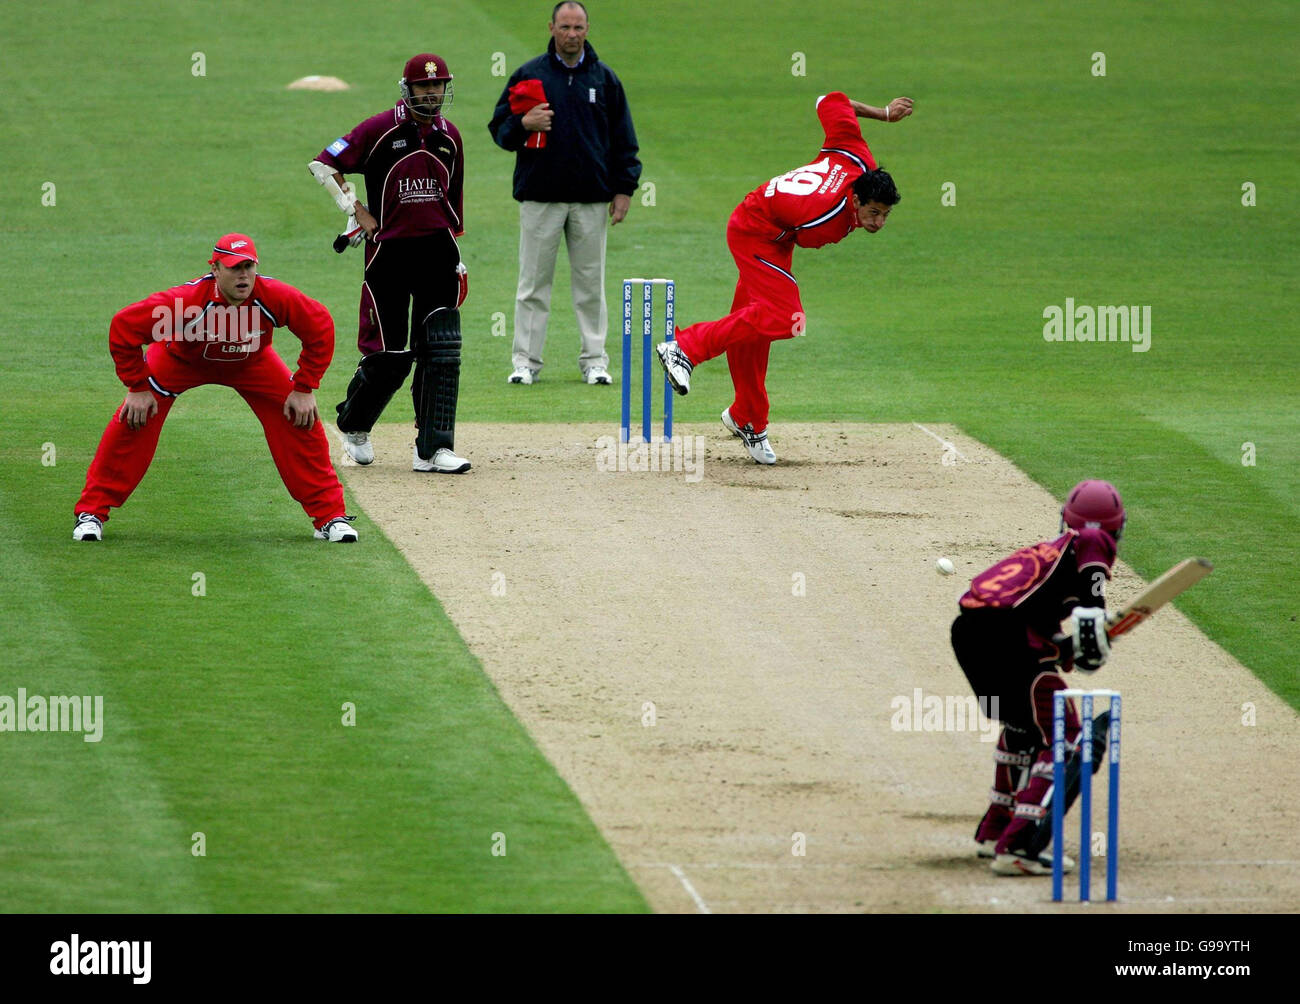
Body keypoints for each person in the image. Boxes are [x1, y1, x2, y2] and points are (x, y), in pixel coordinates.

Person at [655, 91, 913, 464]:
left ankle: (748, 418)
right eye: (873, 213)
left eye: (885, 215)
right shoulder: (824, 218)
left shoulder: (857, 156)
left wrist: (883, 114)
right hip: (755, 232)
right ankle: (685, 348)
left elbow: (831, 99)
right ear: (855, 199)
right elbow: (800, 230)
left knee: (754, 328)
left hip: (778, 234)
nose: (878, 223)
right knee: (785, 318)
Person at [72, 234, 357, 543]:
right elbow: (124, 326)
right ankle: (91, 513)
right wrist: (137, 386)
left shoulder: (274, 296)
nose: (243, 275)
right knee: (133, 419)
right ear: (215, 269)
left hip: (252, 363)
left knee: (301, 418)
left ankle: (331, 517)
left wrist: (303, 388)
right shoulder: (184, 302)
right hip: (180, 361)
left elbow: (320, 327)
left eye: (249, 267)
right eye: (234, 268)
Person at [949, 480, 1126, 876]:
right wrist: (1092, 636)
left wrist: (1064, 647)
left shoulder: (1052, 554)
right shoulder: (1095, 542)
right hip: (1004, 640)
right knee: (1069, 739)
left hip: (972, 634)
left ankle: (996, 831)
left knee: (1025, 727)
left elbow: (1031, 620)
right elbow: (1089, 613)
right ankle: (1019, 846)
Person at [311, 53, 471, 473]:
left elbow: (449, 205)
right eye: (424, 87)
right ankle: (355, 425)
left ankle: (433, 448)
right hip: (390, 254)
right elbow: (324, 163)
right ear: (408, 89)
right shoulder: (378, 130)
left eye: (439, 86)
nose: (433, 94)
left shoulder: (449, 136)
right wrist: (356, 210)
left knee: (440, 351)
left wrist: (456, 258)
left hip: (437, 252)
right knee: (390, 354)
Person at [488, 1, 641, 386]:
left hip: (591, 199)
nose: (572, 34)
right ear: (552, 27)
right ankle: (525, 362)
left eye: (578, 27)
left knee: (590, 285)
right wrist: (524, 122)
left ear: (587, 29)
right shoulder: (530, 75)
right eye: (565, 27)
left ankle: (594, 361)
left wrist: (624, 189)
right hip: (540, 197)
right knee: (533, 285)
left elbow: (624, 140)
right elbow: (500, 130)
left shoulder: (605, 80)